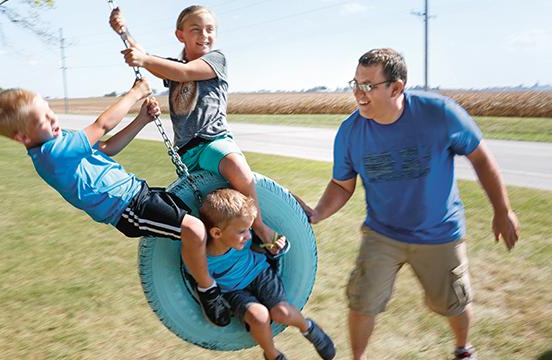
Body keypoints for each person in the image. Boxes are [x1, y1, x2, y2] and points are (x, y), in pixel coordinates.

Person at [296, 48, 520, 360]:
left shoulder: (439, 113)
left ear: (396, 87)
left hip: (439, 232)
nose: (358, 93)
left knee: (452, 302)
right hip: (382, 233)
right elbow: (341, 184)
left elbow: (480, 157)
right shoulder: (350, 131)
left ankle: (463, 350)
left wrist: (502, 210)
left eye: (368, 85)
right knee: (362, 300)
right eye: (355, 83)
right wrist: (319, 212)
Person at [0, 78, 231, 327]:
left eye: (50, 111)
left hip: (138, 192)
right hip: (128, 209)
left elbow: (107, 147)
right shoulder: (51, 155)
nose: (53, 119)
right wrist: (135, 93)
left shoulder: (59, 141)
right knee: (195, 229)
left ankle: (215, 267)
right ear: (22, 137)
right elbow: (102, 126)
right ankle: (207, 290)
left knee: (198, 226)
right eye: (43, 120)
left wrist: (141, 120)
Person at [108, 5, 283, 250]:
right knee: (203, 215)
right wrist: (123, 31)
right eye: (196, 29)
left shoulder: (216, 60)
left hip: (213, 142)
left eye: (210, 29)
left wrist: (145, 60)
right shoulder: (171, 68)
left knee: (238, 169)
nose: (204, 35)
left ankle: (260, 227)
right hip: (186, 153)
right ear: (181, 35)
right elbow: (147, 57)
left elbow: (183, 71)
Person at [200, 188, 336, 360]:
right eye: (242, 231)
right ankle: (273, 355)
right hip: (233, 292)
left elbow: (258, 247)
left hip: (260, 274)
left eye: (249, 229)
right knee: (259, 317)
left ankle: (308, 328)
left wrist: (274, 247)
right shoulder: (202, 258)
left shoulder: (241, 240)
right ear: (217, 233)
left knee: (281, 313)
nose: (248, 235)